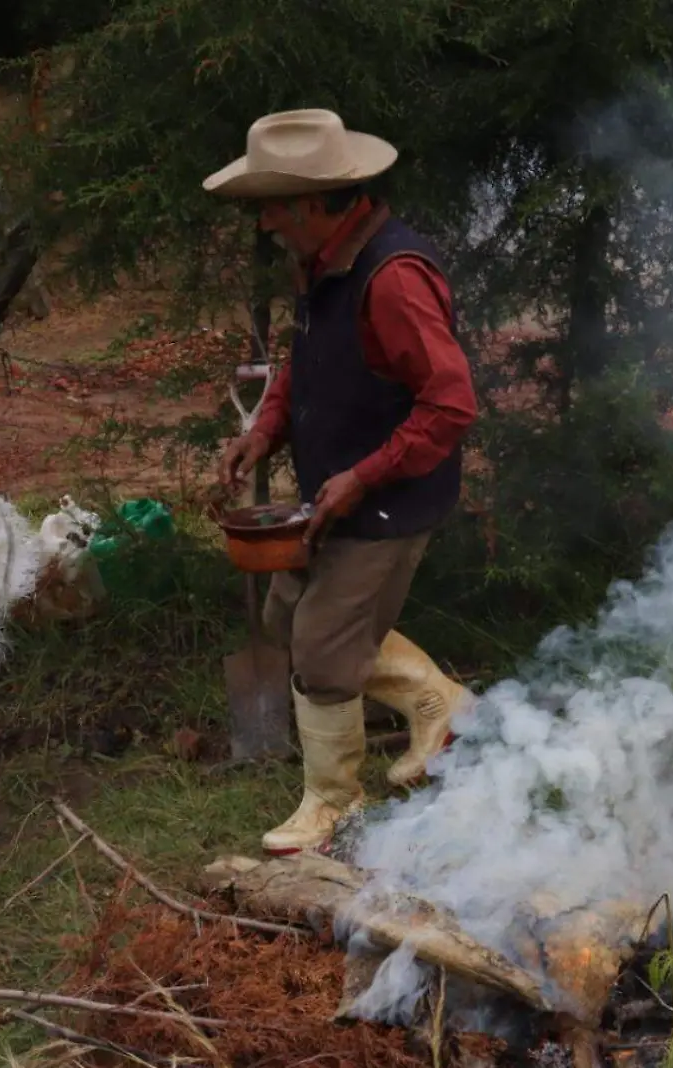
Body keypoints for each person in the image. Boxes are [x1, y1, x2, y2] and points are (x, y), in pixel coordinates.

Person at [206, 109, 479, 855]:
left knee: (324, 646)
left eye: (270, 204)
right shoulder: (325, 262)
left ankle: (335, 807)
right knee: (287, 617)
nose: (262, 222)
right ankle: (441, 705)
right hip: (340, 490)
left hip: (390, 501)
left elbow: (452, 402)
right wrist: (263, 433)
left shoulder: (392, 279)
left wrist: (364, 476)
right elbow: (309, 362)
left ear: (309, 202)